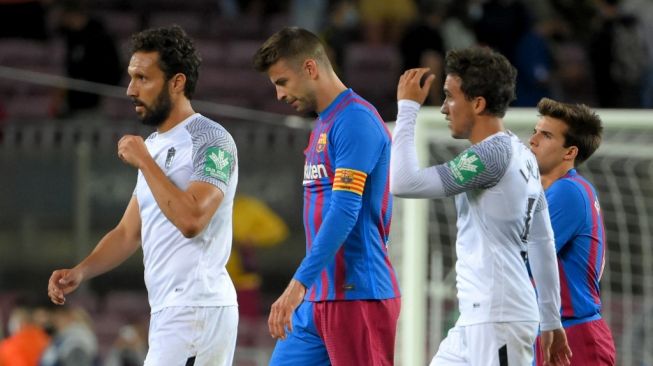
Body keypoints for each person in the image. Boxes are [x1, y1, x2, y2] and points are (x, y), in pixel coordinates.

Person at [47, 25, 239, 366]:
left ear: (176, 82)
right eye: (130, 77)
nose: (130, 89)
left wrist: (145, 162)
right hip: (173, 311)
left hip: (197, 308)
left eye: (142, 78)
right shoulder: (153, 145)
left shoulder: (211, 139)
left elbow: (193, 220)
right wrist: (81, 271)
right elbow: (128, 232)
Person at [390, 48, 572, 366]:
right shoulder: (522, 154)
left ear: (477, 103)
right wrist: (551, 319)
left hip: (498, 320)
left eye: (449, 96)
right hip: (479, 319)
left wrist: (407, 108)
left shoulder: (489, 156)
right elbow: (542, 241)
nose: (444, 108)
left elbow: (404, 182)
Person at [253, 27, 400, 366]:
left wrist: (298, 284)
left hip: (356, 294)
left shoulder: (355, 120)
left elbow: (346, 210)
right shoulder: (324, 123)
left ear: (309, 68)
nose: (278, 95)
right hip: (319, 296)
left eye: (281, 82)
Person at [529, 98, 616, 365]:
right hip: (554, 329)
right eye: (535, 131)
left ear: (570, 153)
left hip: (575, 336)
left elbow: (523, 260)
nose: (532, 140)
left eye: (546, 135)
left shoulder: (567, 191)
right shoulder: (557, 192)